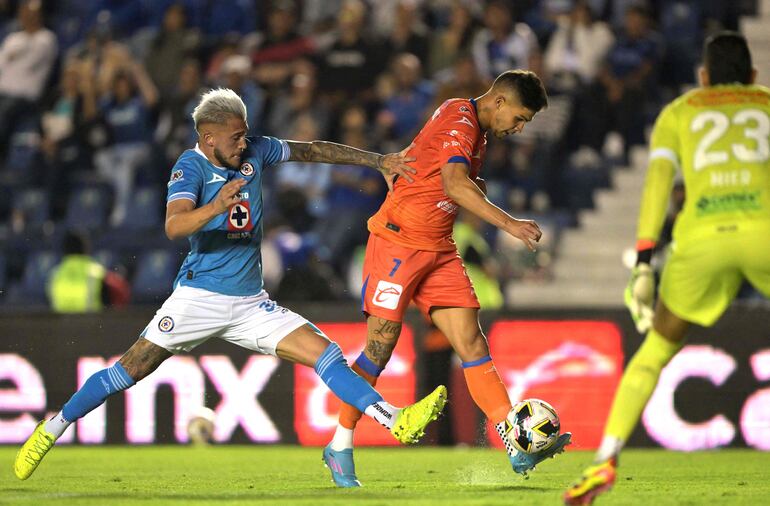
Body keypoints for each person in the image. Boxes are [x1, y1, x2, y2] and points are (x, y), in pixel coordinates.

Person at [14, 88, 447, 481]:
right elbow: (173, 225)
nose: (244, 143)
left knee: (326, 352)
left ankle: (394, 420)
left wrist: (378, 160)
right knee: (128, 371)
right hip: (197, 298)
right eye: (235, 137)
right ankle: (52, 428)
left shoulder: (256, 150)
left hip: (250, 303)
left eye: (246, 134)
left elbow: (312, 150)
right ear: (208, 139)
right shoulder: (191, 167)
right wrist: (215, 206)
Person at [322, 70, 572, 488]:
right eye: (521, 117)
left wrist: (463, 180)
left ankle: (512, 440)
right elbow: (453, 184)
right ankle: (340, 444)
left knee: (472, 342)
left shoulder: (472, 126)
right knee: (379, 349)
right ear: (499, 102)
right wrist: (509, 223)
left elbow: (433, 164)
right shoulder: (462, 119)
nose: (520, 127)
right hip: (398, 244)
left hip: (437, 248)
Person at [564, 32, 770, 505]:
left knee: (654, 351)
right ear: (753, 75)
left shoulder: (680, 111)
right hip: (763, 233)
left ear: (703, 77)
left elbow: (657, 185)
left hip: (700, 241)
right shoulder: (766, 102)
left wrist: (643, 263)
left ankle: (604, 461)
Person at [47, 230, 130, 313]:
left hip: (61, 325)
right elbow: (121, 292)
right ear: (86, 249)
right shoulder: (96, 273)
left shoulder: (54, 275)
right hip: (92, 324)